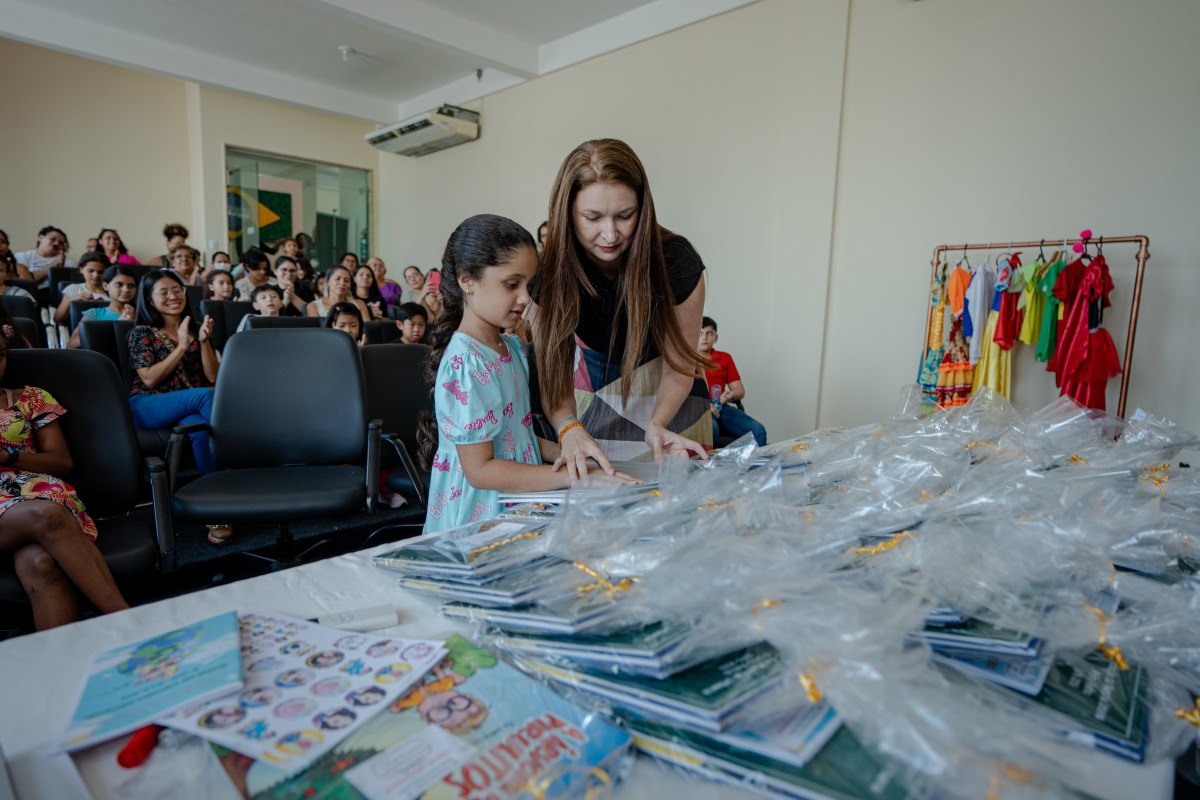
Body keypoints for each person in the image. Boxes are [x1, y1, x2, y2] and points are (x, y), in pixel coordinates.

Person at [416, 214, 637, 534]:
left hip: (518, 491)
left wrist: (571, 455)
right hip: (480, 508)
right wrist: (573, 478)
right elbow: (481, 470)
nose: (525, 297)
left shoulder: (510, 346)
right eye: (511, 284)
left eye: (528, 284)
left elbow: (513, 435)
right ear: (467, 280)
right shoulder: (467, 363)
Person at [530, 138, 712, 476]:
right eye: (593, 217)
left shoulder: (676, 262)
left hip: (672, 395)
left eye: (625, 216)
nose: (610, 234)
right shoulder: (550, 274)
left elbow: (680, 366)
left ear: (643, 210)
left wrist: (658, 422)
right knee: (606, 495)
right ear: (567, 214)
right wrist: (568, 428)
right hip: (595, 385)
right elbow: (553, 379)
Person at [0, 328, 130, 630]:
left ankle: (61, 667)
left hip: (38, 495)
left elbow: (62, 461)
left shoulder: (31, 398)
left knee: (40, 563)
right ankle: (128, 622)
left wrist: (8, 457)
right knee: (47, 516)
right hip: (36, 514)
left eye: (1, 355)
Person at [126, 271, 228, 544]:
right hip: (147, 404)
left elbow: (213, 376)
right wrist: (182, 346)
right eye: (164, 292)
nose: (173, 296)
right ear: (149, 299)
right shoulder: (141, 333)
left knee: (201, 430)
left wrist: (204, 342)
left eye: (177, 289)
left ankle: (216, 505)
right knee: (206, 397)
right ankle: (245, 455)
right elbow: (148, 378)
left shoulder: (194, 328)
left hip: (187, 404)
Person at [698, 316, 767, 446]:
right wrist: (703, 405)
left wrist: (730, 395)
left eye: (709, 333)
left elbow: (739, 390)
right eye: (700, 333)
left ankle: (753, 466)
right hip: (700, 409)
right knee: (712, 431)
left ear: (716, 338)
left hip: (721, 405)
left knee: (758, 431)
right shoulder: (688, 359)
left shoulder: (725, 358)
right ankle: (710, 466)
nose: (704, 337)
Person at [67, 265, 137, 348]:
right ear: (105, 286)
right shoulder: (94, 314)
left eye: (131, 286)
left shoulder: (142, 313)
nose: (126, 290)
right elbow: (72, 344)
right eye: (119, 285)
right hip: (103, 359)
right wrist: (117, 325)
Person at [54, 252, 109, 325]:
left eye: (101, 272)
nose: (96, 275)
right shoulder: (73, 289)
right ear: (81, 269)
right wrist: (72, 300)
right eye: (90, 271)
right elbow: (57, 319)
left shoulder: (111, 291)